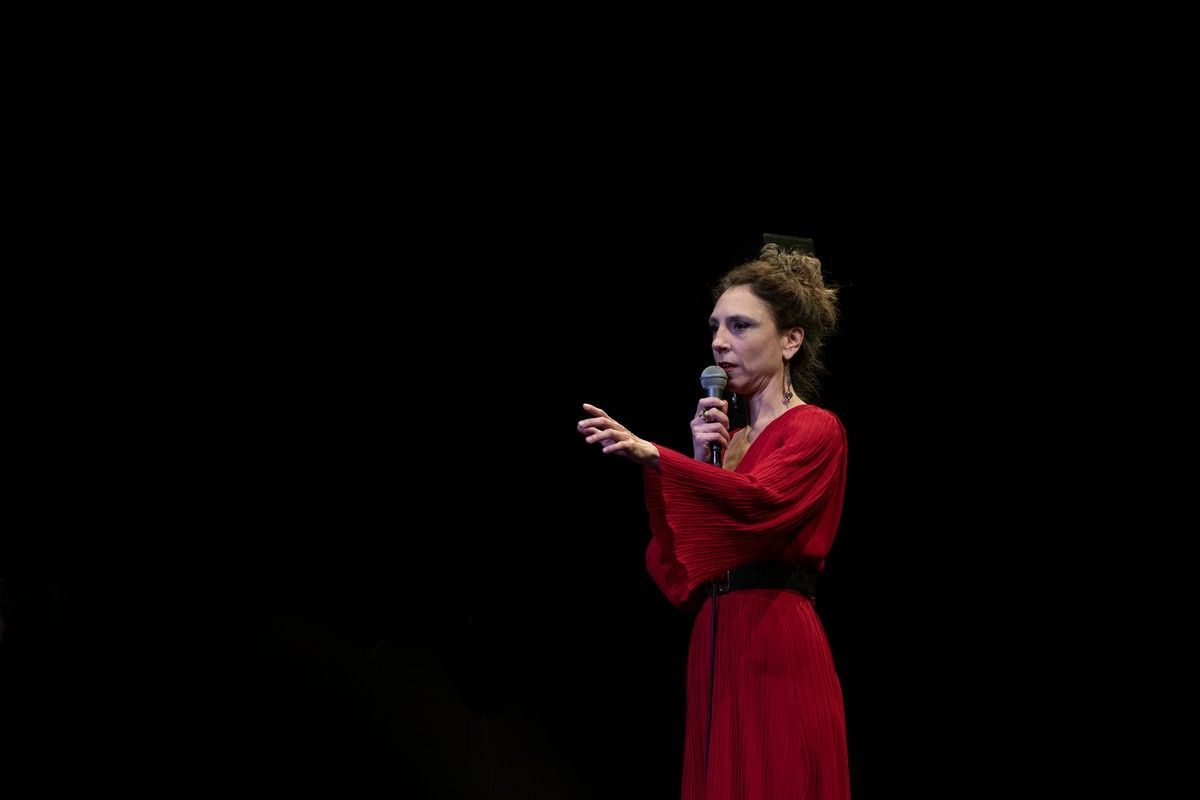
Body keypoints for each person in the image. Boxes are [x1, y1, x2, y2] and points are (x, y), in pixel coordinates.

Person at [577, 242, 849, 799]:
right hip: (716, 642)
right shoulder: (730, 442)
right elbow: (676, 566)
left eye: (740, 326)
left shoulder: (815, 429)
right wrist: (701, 464)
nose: (719, 342)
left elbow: (760, 503)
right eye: (715, 327)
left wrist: (659, 458)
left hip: (774, 638)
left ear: (791, 340)